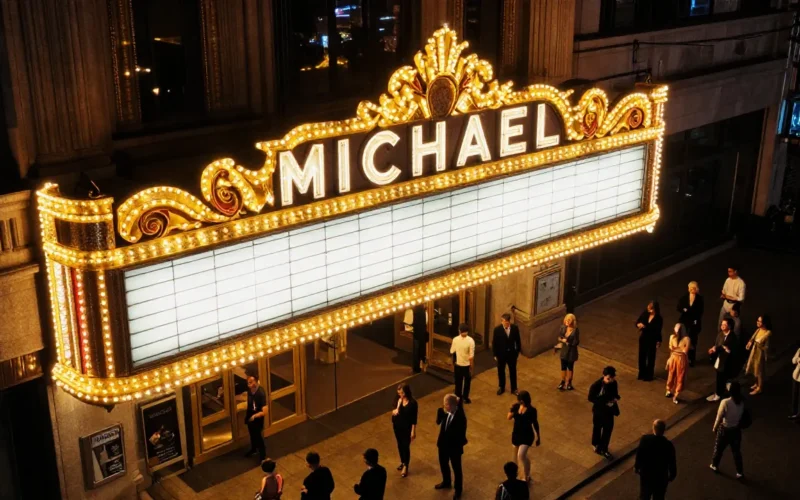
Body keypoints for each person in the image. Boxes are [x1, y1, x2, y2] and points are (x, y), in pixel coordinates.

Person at [435, 393, 468, 499]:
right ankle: (446, 481)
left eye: (446, 405)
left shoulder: (460, 418)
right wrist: (440, 413)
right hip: (443, 445)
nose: (444, 406)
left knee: (457, 469)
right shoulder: (445, 412)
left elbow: (460, 436)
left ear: (452, 405)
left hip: (454, 448)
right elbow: (438, 422)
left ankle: (458, 490)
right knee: (443, 464)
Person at [710, 381, 745, 478]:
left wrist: (714, 428)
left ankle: (714, 465)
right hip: (736, 430)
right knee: (736, 452)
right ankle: (739, 472)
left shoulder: (725, 402)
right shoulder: (741, 402)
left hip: (725, 429)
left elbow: (719, 417)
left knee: (719, 449)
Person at [634, 420, 677, 500]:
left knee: (645, 495)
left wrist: (637, 467)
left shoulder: (645, 440)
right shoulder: (668, 445)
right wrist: (672, 475)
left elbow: (639, 454)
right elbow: (672, 462)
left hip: (646, 475)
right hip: (661, 477)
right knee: (659, 497)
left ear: (653, 428)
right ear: (663, 430)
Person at [506, 390, 540, 483]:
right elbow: (508, 417)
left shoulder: (532, 410)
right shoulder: (516, 407)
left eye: (520, 400)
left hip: (526, 435)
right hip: (516, 434)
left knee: (521, 455)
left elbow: (535, 423)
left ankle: (526, 475)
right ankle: (515, 475)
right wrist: (511, 409)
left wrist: (538, 436)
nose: (518, 401)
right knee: (515, 456)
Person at [588, 366, 620, 459]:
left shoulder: (614, 383)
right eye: (608, 379)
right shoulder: (596, 385)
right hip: (599, 410)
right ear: (603, 376)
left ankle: (604, 448)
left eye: (612, 378)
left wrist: (615, 399)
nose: (610, 381)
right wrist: (603, 402)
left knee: (608, 430)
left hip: (609, 411)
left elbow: (615, 394)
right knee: (597, 428)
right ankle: (596, 444)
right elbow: (590, 398)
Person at [707, 318, 738, 402]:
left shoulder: (732, 337)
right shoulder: (720, 334)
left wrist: (721, 348)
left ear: (729, 326)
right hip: (720, 359)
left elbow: (728, 348)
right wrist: (713, 349)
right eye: (722, 324)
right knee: (720, 376)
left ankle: (719, 394)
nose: (722, 326)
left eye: (725, 324)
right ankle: (721, 392)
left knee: (722, 377)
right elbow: (717, 344)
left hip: (727, 361)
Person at [391, 383, 418, 477]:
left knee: (405, 446)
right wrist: (397, 407)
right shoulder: (397, 399)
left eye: (402, 393)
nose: (400, 395)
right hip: (397, 426)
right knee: (399, 445)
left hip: (406, 428)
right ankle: (402, 462)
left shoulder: (413, 403)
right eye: (399, 393)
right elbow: (394, 410)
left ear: (406, 392)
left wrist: (413, 431)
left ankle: (406, 465)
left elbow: (414, 418)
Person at [676, 281, 704, 367]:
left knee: (692, 340)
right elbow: (678, 307)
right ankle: (683, 357)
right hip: (685, 321)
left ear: (696, 289)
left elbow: (700, 311)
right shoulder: (684, 298)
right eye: (691, 288)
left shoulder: (699, 299)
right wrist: (683, 309)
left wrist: (695, 319)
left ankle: (691, 359)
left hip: (694, 321)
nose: (692, 290)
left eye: (694, 288)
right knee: (683, 339)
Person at [493, 313, 522, 395]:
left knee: (513, 371)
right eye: (502, 321)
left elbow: (518, 341)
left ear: (509, 322)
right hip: (501, 355)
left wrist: (517, 352)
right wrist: (495, 354)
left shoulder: (514, 328)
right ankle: (501, 387)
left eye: (505, 322)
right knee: (501, 371)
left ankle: (514, 388)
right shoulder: (497, 330)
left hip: (512, 354)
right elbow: (494, 343)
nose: (504, 323)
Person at [636, 301, 663, 381]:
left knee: (651, 357)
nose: (649, 310)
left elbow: (658, 330)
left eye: (651, 309)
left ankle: (649, 375)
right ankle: (642, 373)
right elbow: (638, 321)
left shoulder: (659, 319)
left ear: (655, 309)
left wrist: (658, 341)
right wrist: (638, 324)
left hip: (652, 339)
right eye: (649, 308)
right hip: (643, 338)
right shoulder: (645, 314)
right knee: (642, 356)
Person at [745, 315, 772, 395]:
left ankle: (760, 387)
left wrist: (760, 346)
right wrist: (749, 343)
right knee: (754, 369)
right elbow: (752, 338)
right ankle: (756, 384)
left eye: (760, 321)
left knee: (759, 371)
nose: (758, 322)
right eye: (758, 320)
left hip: (760, 354)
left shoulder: (767, 333)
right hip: (754, 352)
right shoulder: (758, 330)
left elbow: (767, 347)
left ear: (764, 323)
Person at [665, 323, 690, 404]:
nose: (676, 332)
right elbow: (670, 348)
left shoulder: (686, 339)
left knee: (680, 377)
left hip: (681, 359)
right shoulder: (672, 337)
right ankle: (668, 390)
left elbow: (685, 351)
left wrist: (677, 349)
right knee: (671, 375)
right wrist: (669, 359)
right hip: (673, 358)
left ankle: (676, 394)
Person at [450, 323, 475, 404]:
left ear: (459, 331)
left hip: (458, 364)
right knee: (467, 382)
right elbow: (471, 356)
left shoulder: (455, 339)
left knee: (458, 382)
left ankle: (458, 397)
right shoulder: (471, 341)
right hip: (467, 365)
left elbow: (452, 351)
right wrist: (472, 366)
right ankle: (465, 398)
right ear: (467, 331)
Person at [244, 375, 267, 461]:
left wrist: (254, 416)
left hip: (257, 418)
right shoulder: (250, 391)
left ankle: (263, 456)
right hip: (250, 415)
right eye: (248, 383)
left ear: (256, 382)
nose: (249, 385)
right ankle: (253, 449)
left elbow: (265, 411)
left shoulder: (261, 393)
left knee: (258, 437)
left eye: (251, 382)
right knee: (252, 434)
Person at [557, 313, 580, 391]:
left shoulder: (575, 330)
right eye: (566, 319)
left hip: (571, 352)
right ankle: (563, 381)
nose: (567, 321)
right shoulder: (563, 327)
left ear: (573, 321)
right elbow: (559, 337)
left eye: (569, 320)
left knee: (570, 367)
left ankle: (569, 383)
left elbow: (576, 341)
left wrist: (568, 343)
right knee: (563, 367)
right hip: (564, 350)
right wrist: (562, 340)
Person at [411, 305, 428, 373]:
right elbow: (426, 322)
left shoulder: (414, 312)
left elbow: (412, 323)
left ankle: (416, 367)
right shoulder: (424, 312)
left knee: (416, 352)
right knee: (422, 351)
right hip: (422, 334)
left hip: (416, 334)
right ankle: (423, 365)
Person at [790, 346, 800, 420]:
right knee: (795, 395)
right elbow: (793, 361)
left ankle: (798, 415)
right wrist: (797, 359)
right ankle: (794, 413)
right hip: (796, 376)